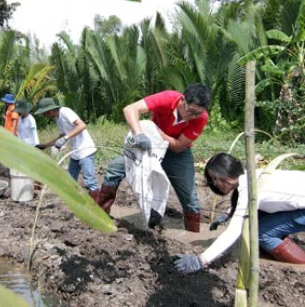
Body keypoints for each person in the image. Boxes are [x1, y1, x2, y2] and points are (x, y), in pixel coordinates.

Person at [94, 84, 212, 232]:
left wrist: (156, 132)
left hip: (176, 153)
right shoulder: (168, 98)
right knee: (115, 168)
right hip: (148, 144)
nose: (192, 116)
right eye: (191, 111)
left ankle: (192, 233)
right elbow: (130, 109)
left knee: (189, 195)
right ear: (182, 100)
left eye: (197, 114)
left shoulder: (201, 118)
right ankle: (101, 216)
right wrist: (139, 134)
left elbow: (178, 146)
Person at [175, 153, 305, 273]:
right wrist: (227, 214)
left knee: (259, 233)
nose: (214, 183)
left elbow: (233, 231)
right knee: (253, 221)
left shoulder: (250, 187)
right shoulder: (251, 176)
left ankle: (300, 267)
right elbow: (252, 203)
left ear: (225, 172)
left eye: (215, 178)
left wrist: (201, 260)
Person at [34, 97, 98, 194]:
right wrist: (45, 145)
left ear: (50, 110)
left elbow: (82, 125)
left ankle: (97, 204)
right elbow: (62, 135)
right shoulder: (58, 119)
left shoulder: (65, 111)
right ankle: (75, 201)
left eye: (44, 113)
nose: (44, 115)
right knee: (70, 180)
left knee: (90, 181)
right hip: (75, 152)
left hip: (85, 150)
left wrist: (65, 138)